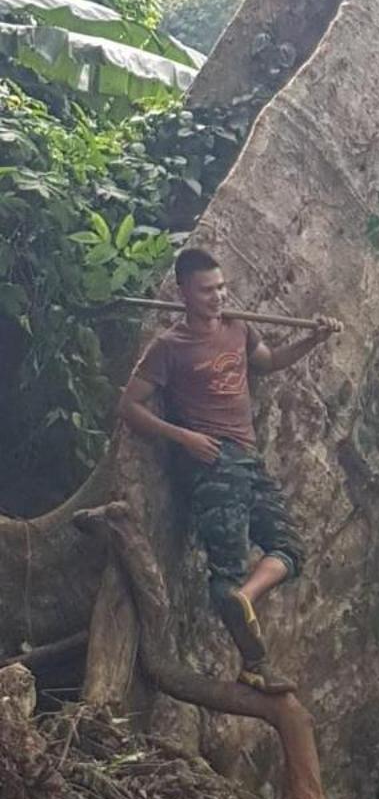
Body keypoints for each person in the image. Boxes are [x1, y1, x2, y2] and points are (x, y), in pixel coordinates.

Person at [120, 247, 340, 693]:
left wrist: (312, 339)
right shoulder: (170, 347)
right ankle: (254, 662)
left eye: (221, 287)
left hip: (248, 458)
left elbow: (270, 362)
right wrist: (183, 437)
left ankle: (246, 598)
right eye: (206, 291)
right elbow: (128, 407)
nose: (218, 297)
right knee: (225, 570)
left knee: (291, 548)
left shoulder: (238, 328)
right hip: (212, 463)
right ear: (184, 293)